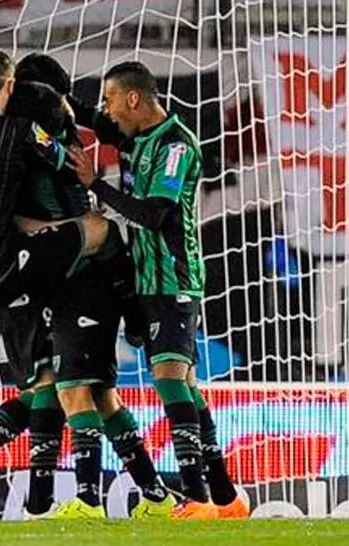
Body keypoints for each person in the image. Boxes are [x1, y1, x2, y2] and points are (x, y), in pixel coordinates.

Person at [0, 52, 174, 521]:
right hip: (47, 269)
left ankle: (145, 495)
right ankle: (79, 498)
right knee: (72, 383)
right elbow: (66, 159)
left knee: (68, 384)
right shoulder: (25, 137)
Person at [68, 60, 248, 520]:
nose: (107, 110)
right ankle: (226, 498)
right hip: (145, 279)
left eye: (112, 99)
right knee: (185, 383)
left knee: (169, 376)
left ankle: (199, 498)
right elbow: (92, 118)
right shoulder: (134, 138)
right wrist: (50, 95)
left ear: (133, 98)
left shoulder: (175, 145)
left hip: (174, 277)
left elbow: (155, 215)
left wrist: (96, 186)